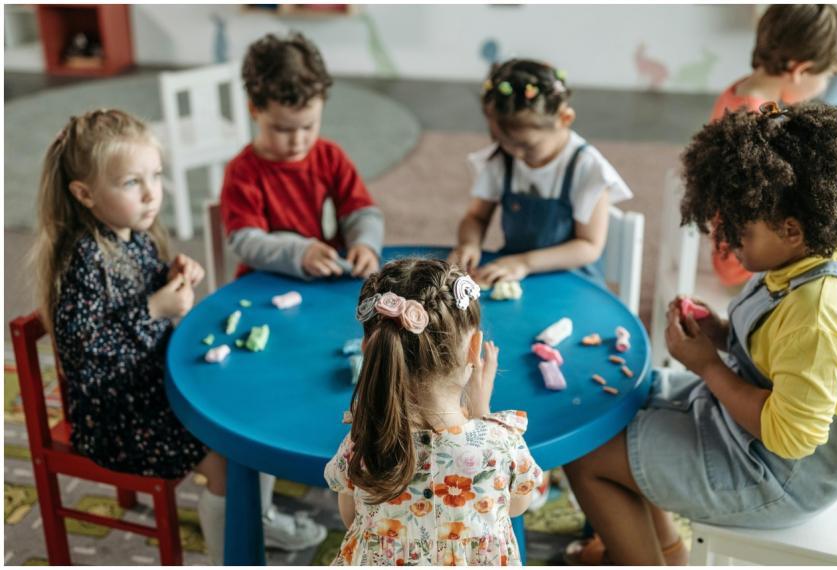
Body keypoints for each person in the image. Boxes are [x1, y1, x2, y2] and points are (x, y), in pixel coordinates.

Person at [31, 109, 324, 564]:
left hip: (154, 384)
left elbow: (134, 301)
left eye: (156, 176)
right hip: (115, 417)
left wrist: (169, 276)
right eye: (132, 182)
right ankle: (232, 553)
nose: (152, 193)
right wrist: (154, 308)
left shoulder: (131, 235)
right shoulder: (83, 261)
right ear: (85, 193)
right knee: (228, 464)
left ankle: (258, 517)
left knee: (250, 416)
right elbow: (85, 354)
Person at [563, 102, 837, 565]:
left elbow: (789, 439)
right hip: (741, 427)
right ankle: (667, 552)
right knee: (613, 405)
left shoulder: (818, 313)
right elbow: (776, 354)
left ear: (792, 230)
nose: (728, 242)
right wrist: (719, 333)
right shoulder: (798, 257)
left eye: (741, 232)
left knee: (586, 458)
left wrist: (708, 366)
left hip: (780, 477)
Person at [324, 258, 543, 565]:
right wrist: (481, 413)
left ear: (369, 349)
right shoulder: (501, 445)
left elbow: (351, 518)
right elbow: (517, 505)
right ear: (474, 349)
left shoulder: (363, 443)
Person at [448, 58, 632, 287]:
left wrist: (525, 263)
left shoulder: (587, 169)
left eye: (526, 146)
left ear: (564, 119)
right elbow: (476, 217)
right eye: (502, 141)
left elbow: (589, 246)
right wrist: (469, 244)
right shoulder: (502, 159)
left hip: (573, 280)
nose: (515, 154)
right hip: (515, 274)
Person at [221, 32, 384, 281]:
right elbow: (246, 241)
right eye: (282, 129)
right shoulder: (242, 172)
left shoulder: (330, 157)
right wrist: (299, 252)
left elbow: (360, 211)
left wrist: (365, 243)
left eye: (308, 126)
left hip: (325, 275)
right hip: (265, 281)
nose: (298, 141)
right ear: (254, 109)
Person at [708, 4, 837, 287]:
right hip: (750, 263)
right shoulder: (755, 122)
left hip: (735, 244)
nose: (823, 86)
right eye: (826, 76)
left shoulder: (742, 92)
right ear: (800, 70)